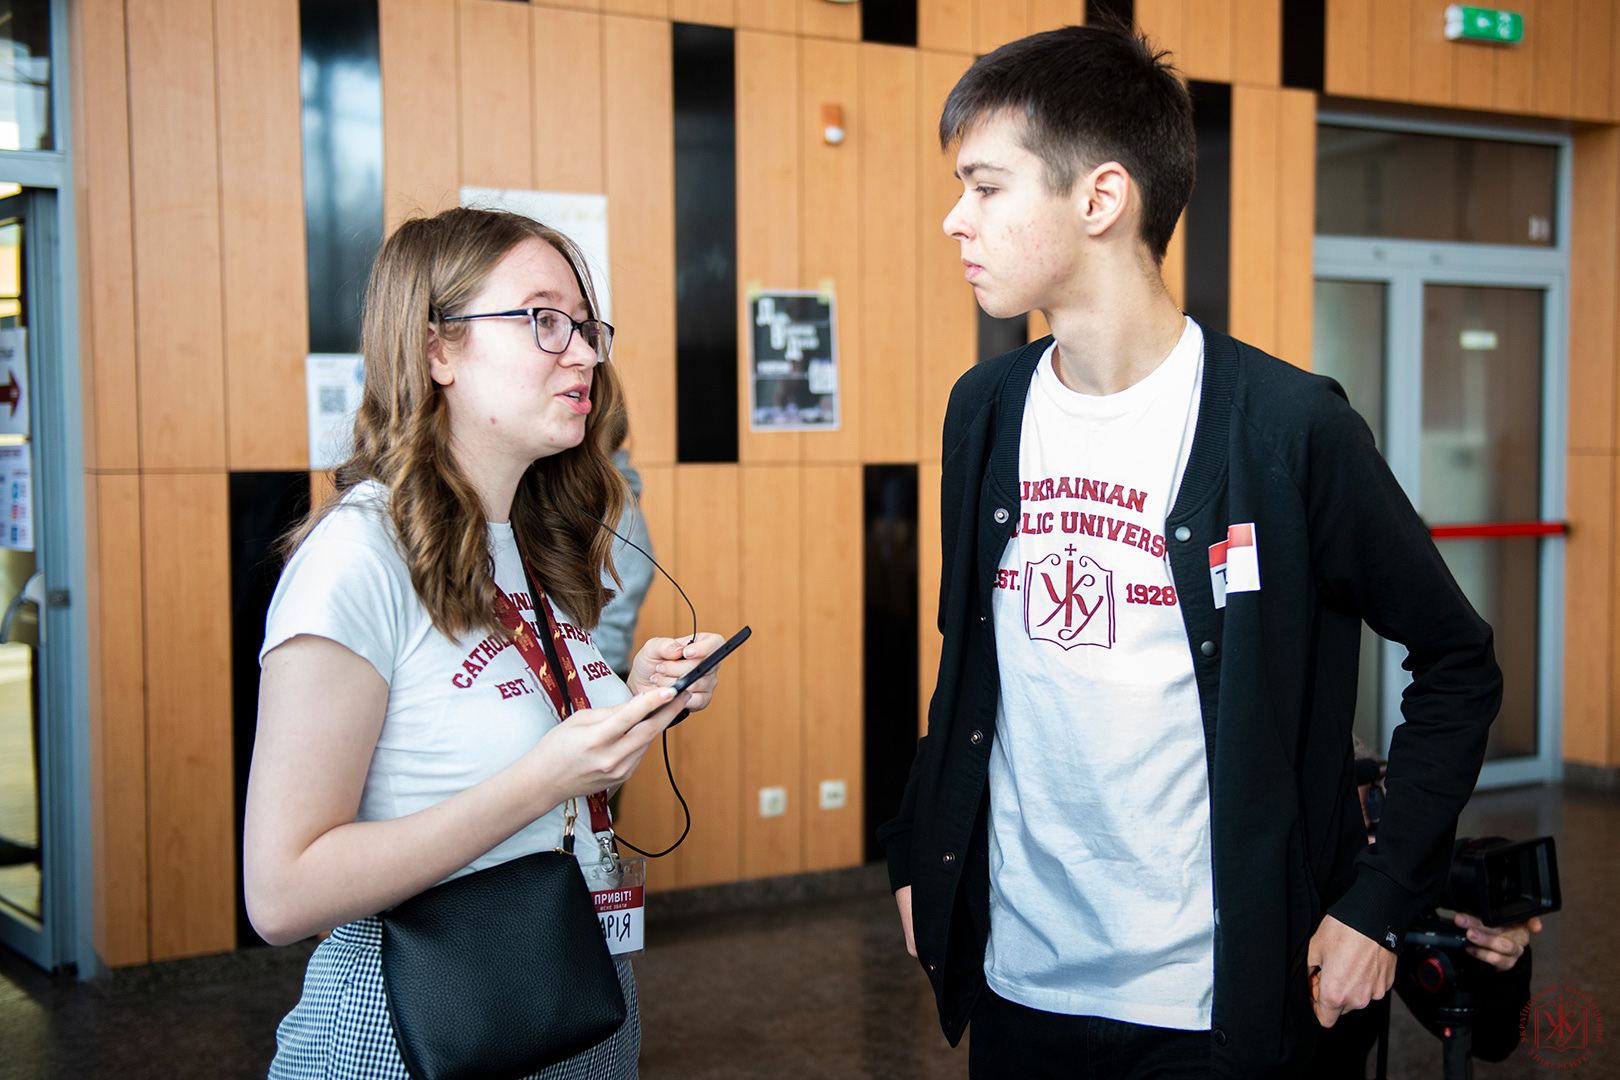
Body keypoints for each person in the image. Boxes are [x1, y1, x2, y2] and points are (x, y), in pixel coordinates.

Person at [877, 24, 1502, 1080]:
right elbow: (970, 660)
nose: (956, 218)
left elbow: (1458, 663)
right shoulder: (984, 410)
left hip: (1215, 1008)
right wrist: (917, 844)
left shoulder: (1288, 428)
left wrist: (1378, 901)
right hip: (1022, 983)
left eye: (985, 187)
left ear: (1100, 199)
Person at [244, 206, 724, 1079]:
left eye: (585, 326)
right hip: (407, 1032)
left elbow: (509, 755)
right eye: (543, 320)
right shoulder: (357, 557)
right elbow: (282, 893)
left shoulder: (528, 538)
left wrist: (630, 699)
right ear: (438, 350)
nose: (584, 353)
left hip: (565, 1006)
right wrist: (544, 777)